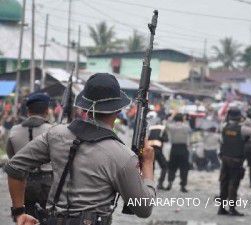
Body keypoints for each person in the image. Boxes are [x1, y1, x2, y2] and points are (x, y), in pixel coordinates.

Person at [4, 73, 156, 225]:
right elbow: (144, 208)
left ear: (85, 109)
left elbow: (14, 166)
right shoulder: (123, 155)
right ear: (118, 111)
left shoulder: (55, 134)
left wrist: (19, 212)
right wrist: (148, 164)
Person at [5, 93, 53, 218]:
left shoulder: (14, 130)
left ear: (28, 111)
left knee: (25, 218)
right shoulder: (53, 130)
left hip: (23, 181)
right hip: (48, 182)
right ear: (47, 111)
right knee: (49, 218)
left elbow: (12, 159)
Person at [218, 107, 251, 216]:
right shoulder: (242, 129)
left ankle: (221, 208)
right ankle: (232, 209)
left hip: (225, 159)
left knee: (224, 183)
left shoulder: (224, 127)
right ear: (239, 117)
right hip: (236, 161)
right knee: (233, 184)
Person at [166, 113, 192, 193]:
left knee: (172, 167)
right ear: (182, 119)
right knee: (184, 168)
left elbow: (166, 126)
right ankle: (183, 186)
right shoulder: (186, 126)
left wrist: (170, 118)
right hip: (183, 148)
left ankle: (170, 183)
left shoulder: (171, 126)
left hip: (174, 148)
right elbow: (190, 133)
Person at [148, 120, 168, 190]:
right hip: (158, 150)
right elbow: (166, 139)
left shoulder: (150, 129)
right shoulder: (162, 129)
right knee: (164, 166)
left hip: (150, 150)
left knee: (151, 168)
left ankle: (150, 185)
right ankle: (160, 184)